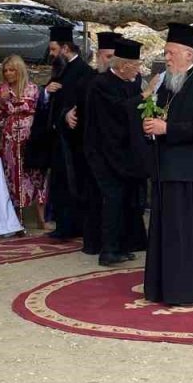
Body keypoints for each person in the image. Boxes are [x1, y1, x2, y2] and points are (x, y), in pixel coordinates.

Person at [142, 23, 193, 306]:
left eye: (171, 53)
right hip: (166, 168)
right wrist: (151, 127)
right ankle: (161, 288)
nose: (167, 58)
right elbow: (162, 117)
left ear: (189, 55)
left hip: (191, 172)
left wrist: (167, 129)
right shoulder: (167, 84)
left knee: (185, 234)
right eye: (166, 53)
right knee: (164, 232)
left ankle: (185, 291)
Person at [84, 37, 148, 266]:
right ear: (123, 66)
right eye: (136, 65)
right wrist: (145, 96)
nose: (138, 69)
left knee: (126, 200)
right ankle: (108, 250)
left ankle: (122, 245)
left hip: (123, 154)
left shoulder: (130, 82)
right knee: (112, 199)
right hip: (103, 153)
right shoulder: (100, 84)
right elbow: (118, 111)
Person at [43, 25, 95, 241]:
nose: (51, 54)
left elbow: (82, 102)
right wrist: (46, 92)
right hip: (59, 137)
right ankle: (63, 224)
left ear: (65, 48)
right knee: (60, 182)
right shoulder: (60, 69)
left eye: (54, 49)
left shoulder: (83, 71)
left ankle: (73, 226)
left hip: (74, 139)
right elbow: (51, 98)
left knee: (73, 182)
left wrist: (68, 115)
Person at [0, 55, 49, 229]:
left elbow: (42, 111)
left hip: (31, 136)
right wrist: (2, 101)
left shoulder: (33, 89)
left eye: (12, 70)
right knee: (13, 176)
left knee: (37, 174)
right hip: (10, 139)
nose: (8, 73)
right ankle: (16, 219)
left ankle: (41, 218)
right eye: (5, 70)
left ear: (20, 70)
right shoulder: (1, 90)